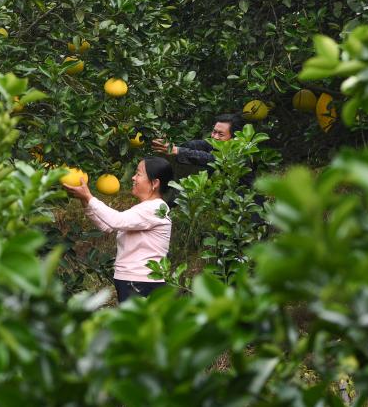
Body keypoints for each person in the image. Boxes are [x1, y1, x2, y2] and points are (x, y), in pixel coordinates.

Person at [63, 157, 173, 303]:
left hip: (143, 281)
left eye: (139, 174)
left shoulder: (156, 208)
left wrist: (89, 197)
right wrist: (85, 200)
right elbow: (107, 226)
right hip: (132, 279)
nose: (133, 178)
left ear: (154, 183)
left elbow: (116, 221)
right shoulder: (145, 208)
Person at [150, 113, 245, 168]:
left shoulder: (240, 154)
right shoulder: (215, 143)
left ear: (234, 137)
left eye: (221, 134)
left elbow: (209, 158)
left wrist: (177, 150)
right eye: (214, 132)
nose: (215, 137)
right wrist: (170, 144)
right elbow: (194, 145)